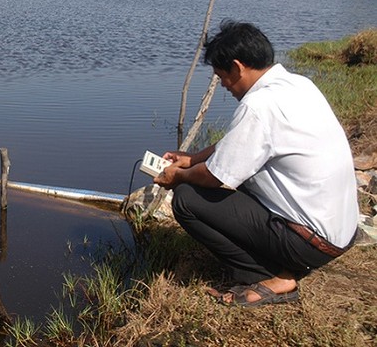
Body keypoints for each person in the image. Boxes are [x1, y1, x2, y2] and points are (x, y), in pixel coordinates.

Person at [154, 20, 359, 307]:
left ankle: (271, 277)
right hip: (340, 232)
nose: (223, 85)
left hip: (310, 243)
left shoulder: (259, 105)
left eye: (221, 76)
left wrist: (180, 176)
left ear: (237, 67)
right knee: (224, 183)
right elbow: (237, 143)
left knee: (188, 199)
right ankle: (279, 264)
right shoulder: (298, 84)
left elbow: (214, 177)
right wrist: (192, 158)